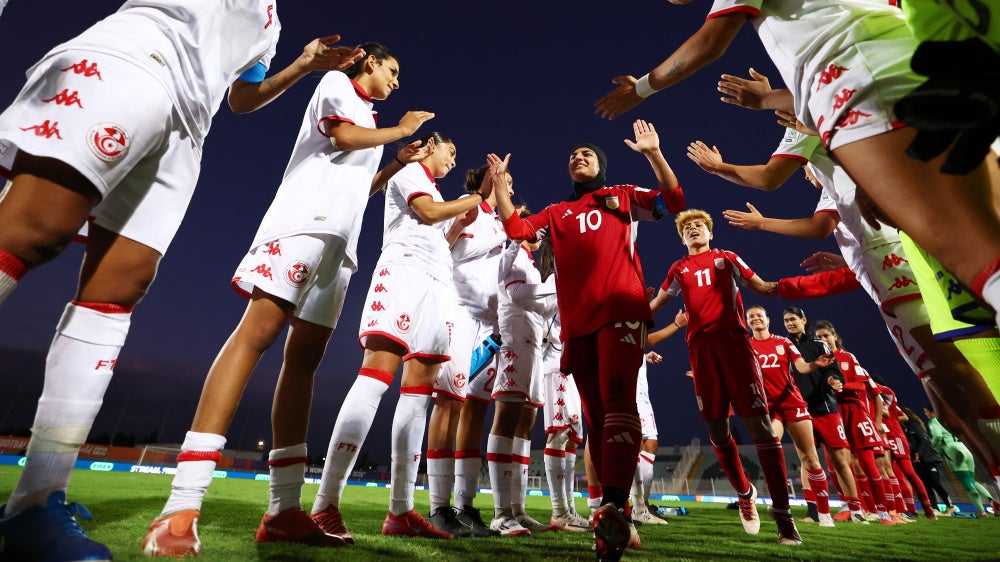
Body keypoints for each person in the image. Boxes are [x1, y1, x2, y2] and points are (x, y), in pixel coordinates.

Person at [0, 3, 364, 559]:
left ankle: (36, 498)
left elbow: (243, 99)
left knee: (121, 284)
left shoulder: (271, 25)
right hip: (128, 60)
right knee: (34, 229)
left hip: (191, 120)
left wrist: (301, 66)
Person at [142, 43, 434, 556]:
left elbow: (356, 183)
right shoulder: (338, 85)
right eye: (392, 69)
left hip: (339, 244)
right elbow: (340, 136)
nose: (395, 81)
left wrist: (392, 164)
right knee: (256, 335)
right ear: (369, 63)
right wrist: (402, 130)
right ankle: (182, 504)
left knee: (304, 364)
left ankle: (283, 510)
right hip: (303, 225)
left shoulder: (367, 114)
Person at [593, 0, 1000, 336]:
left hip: (859, 79)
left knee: (980, 262)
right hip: (915, 62)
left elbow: (712, 40)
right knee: (982, 255)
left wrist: (642, 87)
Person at [697, 124, 1000, 474]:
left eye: (804, 166)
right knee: (948, 403)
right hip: (892, 286)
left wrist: (758, 218)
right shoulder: (848, 180)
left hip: (902, 283)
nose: (804, 174)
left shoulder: (837, 173)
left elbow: (813, 222)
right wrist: (847, 262)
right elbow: (850, 268)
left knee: (953, 380)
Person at [490, 118, 686, 562]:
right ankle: (610, 519)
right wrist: (501, 187)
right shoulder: (557, 212)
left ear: (601, 166)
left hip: (620, 310)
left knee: (618, 402)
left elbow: (674, 200)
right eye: (573, 155)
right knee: (597, 419)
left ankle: (615, 509)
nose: (579, 158)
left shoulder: (620, 196)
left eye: (588, 154)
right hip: (577, 325)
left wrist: (654, 154)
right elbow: (517, 231)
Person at [306, 132, 493, 542]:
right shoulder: (410, 172)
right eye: (451, 148)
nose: (453, 156)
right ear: (430, 146)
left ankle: (401, 510)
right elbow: (426, 214)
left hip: (436, 282)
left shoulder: (432, 186)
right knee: (376, 376)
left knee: (419, 396)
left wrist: (459, 225)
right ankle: (325, 504)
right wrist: (477, 198)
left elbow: (436, 231)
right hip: (404, 272)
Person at [648, 209, 801, 545]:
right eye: (686, 227)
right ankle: (745, 493)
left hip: (735, 344)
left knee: (760, 426)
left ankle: (784, 518)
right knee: (717, 430)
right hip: (701, 350)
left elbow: (762, 286)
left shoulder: (727, 258)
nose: (692, 229)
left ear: (710, 233)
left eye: (698, 225)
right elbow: (655, 303)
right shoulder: (678, 268)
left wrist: (797, 287)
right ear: (681, 238)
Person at [425, 164, 510, 538]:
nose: (509, 186)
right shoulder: (465, 206)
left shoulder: (500, 223)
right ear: (487, 182)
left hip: (487, 328)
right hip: (458, 313)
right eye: (503, 180)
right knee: (446, 402)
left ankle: (465, 506)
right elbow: (445, 250)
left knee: (472, 412)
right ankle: (437, 508)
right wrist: (498, 238)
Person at [745, 305, 835, 526]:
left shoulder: (783, 343)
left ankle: (824, 514)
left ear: (767, 320)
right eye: (751, 317)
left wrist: (815, 364)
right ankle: (780, 504)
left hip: (792, 403)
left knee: (810, 458)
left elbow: (801, 367)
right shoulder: (745, 346)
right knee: (771, 454)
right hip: (768, 409)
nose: (755, 319)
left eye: (759, 315)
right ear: (747, 322)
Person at [780, 307, 864, 523]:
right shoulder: (785, 346)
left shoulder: (819, 345)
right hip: (798, 410)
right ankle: (813, 512)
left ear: (803, 320)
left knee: (839, 460)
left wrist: (834, 380)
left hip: (825, 407)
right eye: (786, 320)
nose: (789, 323)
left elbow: (832, 368)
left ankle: (856, 509)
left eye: (793, 319)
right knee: (807, 460)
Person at [813, 320, 896, 525]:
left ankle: (884, 511)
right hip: (831, 411)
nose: (823, 340)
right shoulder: (817, 361)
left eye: (825, 335)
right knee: (838, 463)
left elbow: (862, 385)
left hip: (854, 411)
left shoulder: (847, 357)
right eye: (819, 337)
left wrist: (842, 385)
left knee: (868, 463)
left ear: (834, 336)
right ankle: (853, 506)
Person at [537, 237, 591, 532]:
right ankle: (559, 512)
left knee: (571, 437)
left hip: (572, 368)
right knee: (559, 434)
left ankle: (568, 509)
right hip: (555, 365)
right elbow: (543, 325)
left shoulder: (574, 282)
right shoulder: (550, 283)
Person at [925, 404, 1000, 517]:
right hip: (964, 448)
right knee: (972, 480)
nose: (926, 414)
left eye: (926, 412)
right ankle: (992, 501)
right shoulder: (948, 420)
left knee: (967, 483)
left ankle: (982, 512)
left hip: (952, 450)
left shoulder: (933, 422)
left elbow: (937, 436)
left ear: (932, 412)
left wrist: (934, 450)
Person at [901, 405, 955, 514]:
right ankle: (934, 508)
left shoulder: (914, 426)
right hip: (919, 460)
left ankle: (950, 506)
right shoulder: (905, 429)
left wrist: (918, 453)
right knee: (926, 485)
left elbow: (923, 440)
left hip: (930, 458)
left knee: (935, 482)